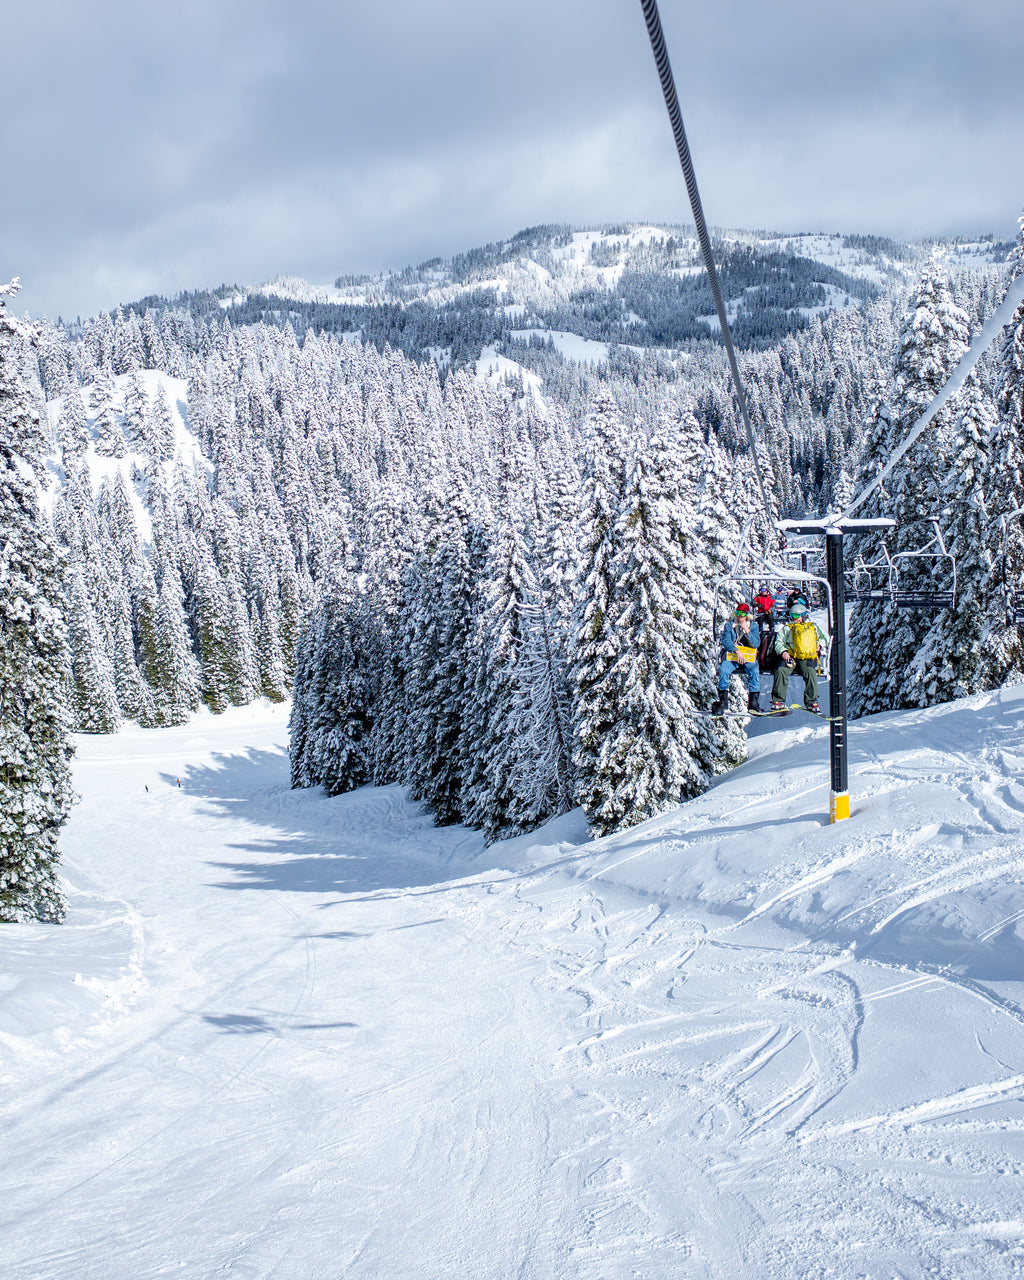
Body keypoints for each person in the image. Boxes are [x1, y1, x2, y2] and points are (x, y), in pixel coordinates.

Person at [771, 604, 828, 712]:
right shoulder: (788, 628)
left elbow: (825, 637)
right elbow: (778, 642)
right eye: (792, 615)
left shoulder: (813, 627)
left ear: (803, 616)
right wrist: (783, 652)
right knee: (781, 670)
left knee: (810, 672)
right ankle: (777, 700)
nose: (794, 618)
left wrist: (819, 645)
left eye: (796, 616)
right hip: (791, 656)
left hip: (806, 656)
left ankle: (811, 701)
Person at [712, 602, 761, 714]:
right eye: (738, 613)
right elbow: (726, 641)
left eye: (743, 614)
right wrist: (736, 651)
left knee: (754, 671)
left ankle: (753, 703)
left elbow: (756, 643)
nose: (740, 616)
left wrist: (747, 631)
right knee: (724, 670)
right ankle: (723, 701)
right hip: (733, 655)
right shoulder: (729, 626)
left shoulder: (753, 626)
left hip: (747, 656)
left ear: (747, 615)